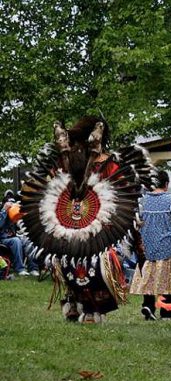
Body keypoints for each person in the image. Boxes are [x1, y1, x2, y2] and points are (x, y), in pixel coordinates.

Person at [19, 116, 152, 323]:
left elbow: (123, 192)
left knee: (89, 262)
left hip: (99, 224)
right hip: (71, 223)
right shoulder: (73, 162)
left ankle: (85, 305)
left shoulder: (102, 162)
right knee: (71, 261)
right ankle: (80, 304)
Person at [130, 170, 171, 320]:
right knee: (167, 281)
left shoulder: (142, 200)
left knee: (148, 278)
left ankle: (148, 306)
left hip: (146, 248)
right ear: (166, 184)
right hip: (167, 247)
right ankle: (166, 312)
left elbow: (135, 224)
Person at [1, 192, 38, 277]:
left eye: (13, 203)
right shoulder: (2, 212)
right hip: (3, 238)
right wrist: (4, 211)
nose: (11, 205)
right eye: (9, 203)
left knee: (28, 240)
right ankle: (20, 269)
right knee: (16, 241)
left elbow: (20, 227)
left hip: (14, 236)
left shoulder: (14, 213)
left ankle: (33, 268)